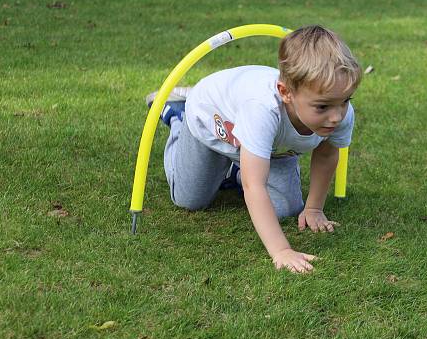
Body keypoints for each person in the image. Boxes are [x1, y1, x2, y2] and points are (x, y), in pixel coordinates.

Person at [147, 25, 361, 273]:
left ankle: (237, 169)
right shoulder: (263, 109)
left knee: (286, 208)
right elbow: (254, 185)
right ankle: (177, 117)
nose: (336, 117)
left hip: (269, 147)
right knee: (190, 200)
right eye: (322, 107)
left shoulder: (339, 110)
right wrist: (281, 250)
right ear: (286, 93)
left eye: (345, 101)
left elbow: (326, 154)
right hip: (212, 124)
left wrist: (313, 208)